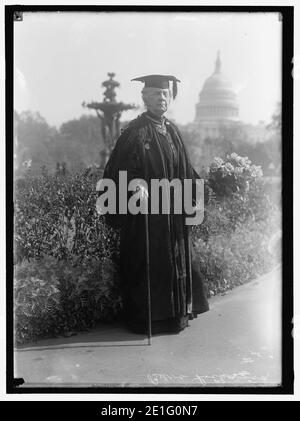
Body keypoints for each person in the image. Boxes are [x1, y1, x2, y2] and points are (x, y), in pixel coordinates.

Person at [102, 74, 209, 335]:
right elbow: (117, 169)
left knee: (174, 261)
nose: (161, 99)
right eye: (155, 95)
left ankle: (175, 316)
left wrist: (197, 192)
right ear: (144, 98)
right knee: (150, 263)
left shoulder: (172, 130)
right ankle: (148, 319)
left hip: (172, 211)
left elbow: (185, 168)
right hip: (146, 215)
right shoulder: (135, 132)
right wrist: (135, 184)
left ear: (169, 98)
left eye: (164, 95)